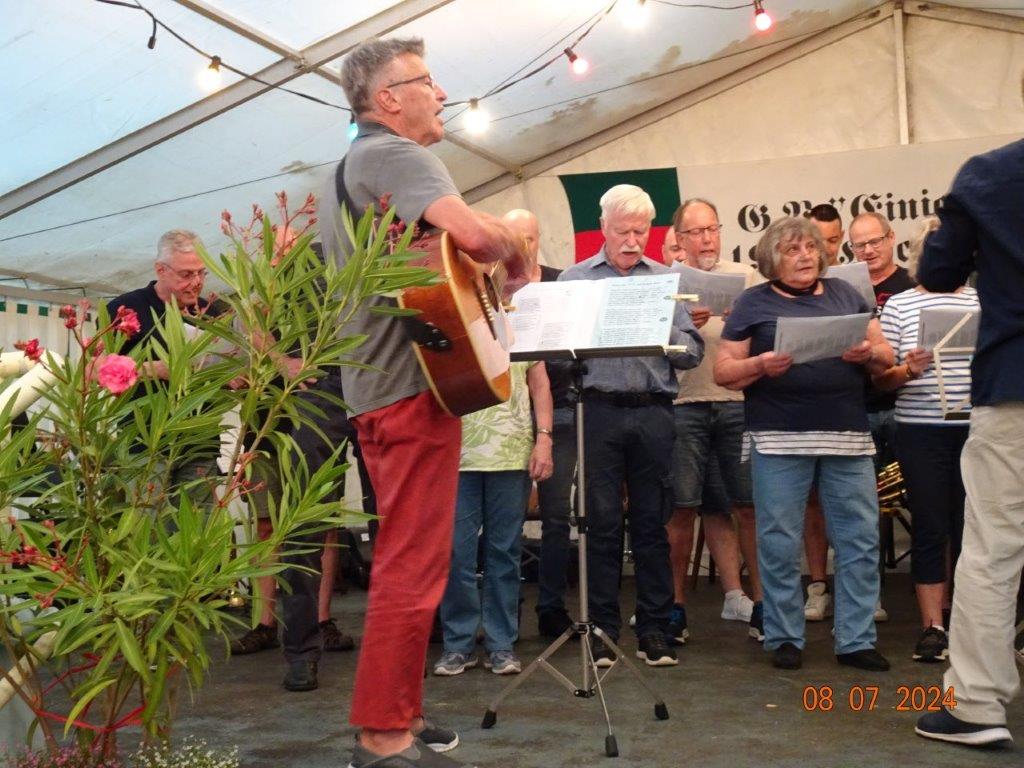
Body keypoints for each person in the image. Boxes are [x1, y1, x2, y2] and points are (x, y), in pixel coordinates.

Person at [320, 37, 526, 768]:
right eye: (427, 81)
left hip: (378, 389)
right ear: (387, 100)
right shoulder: (399, 155)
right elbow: (475, 237)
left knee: (413, 560)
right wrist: (512, 241)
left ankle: (402, 712)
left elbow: (428, 263)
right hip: (410, 391)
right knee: (413, 566)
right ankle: (383, 735)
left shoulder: (350, 168)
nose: (440, 94)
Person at [715, 216, 894, 672]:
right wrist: (759, 365)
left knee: (859, 538)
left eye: (811, 248)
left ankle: (856, 639)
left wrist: (868, 354)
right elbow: (724, 370)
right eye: (792, 250)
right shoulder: (753, 302)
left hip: (847, 437)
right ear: (772, 258)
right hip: (779, 438)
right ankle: (783, 636)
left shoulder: (846, 294)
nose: (805, 256)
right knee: (779, 540)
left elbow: (886, 355)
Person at [557, 184, 704, 669]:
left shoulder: (666, 279)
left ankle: (655, 629)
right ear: (603, 228)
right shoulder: (576, 279)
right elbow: (555, 356)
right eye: (623, 231)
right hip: (597, 409)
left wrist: (666, 330)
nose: (632, 241)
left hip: (653, 410)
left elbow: (694, 352)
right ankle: (602, 630)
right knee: (600, 523)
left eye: (641, 231)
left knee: (652, 522)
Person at [914, 137, 1024, 748]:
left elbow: (938, 273)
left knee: (993, 550)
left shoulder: (988, 174)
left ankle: (977, 705)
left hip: (1015, 383)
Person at [872, 216, 977, 664]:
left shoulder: (982, 300)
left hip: (978, 429)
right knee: (932, 525)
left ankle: (973, 624)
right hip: (921, 429)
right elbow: (881, 381)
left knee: (975, 529)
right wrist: (908, 370)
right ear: (919, 255)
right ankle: (933, 627)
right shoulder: (899, 305)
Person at [662, 199, 764, 644]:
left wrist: (742, 320)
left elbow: (769, 335)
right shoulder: (664, 282)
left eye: (712, 229)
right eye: (696, 232)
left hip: (738, 402)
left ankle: (764, 607)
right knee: (681, 508)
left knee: (749, 506)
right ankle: (674, 609)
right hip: (683, 404)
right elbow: (648, 346)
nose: (706, 239)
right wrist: (680, 321)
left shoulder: (747, 277)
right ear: (679, 239)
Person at [434, 344, 554, 676]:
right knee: (456, 552)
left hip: (511, 452)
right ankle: (458, 644)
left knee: (505, 551)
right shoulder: (454, 318)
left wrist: (544, 439)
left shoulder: (525, 323)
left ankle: (501, 644)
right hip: (457, 453)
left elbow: (540, 383)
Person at [502, 210, 577, 639]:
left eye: (529, 238)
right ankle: (506, 610)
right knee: (506, 520)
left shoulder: (560, 282)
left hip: (560, 410)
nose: (522, 246)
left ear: (539, 238)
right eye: (513, 238)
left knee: (557, 515)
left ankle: (551, 606)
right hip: (507, 415)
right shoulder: (490, 284)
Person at [800, 204, 846, 621]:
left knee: (852, 507)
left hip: (853, 409)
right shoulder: (785, 289)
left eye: (831, 241)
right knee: (812, 502)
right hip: (803, 412)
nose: (823, 249)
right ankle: (817, 585)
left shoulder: (848, 287)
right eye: (816, 240)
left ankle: (859, 591)